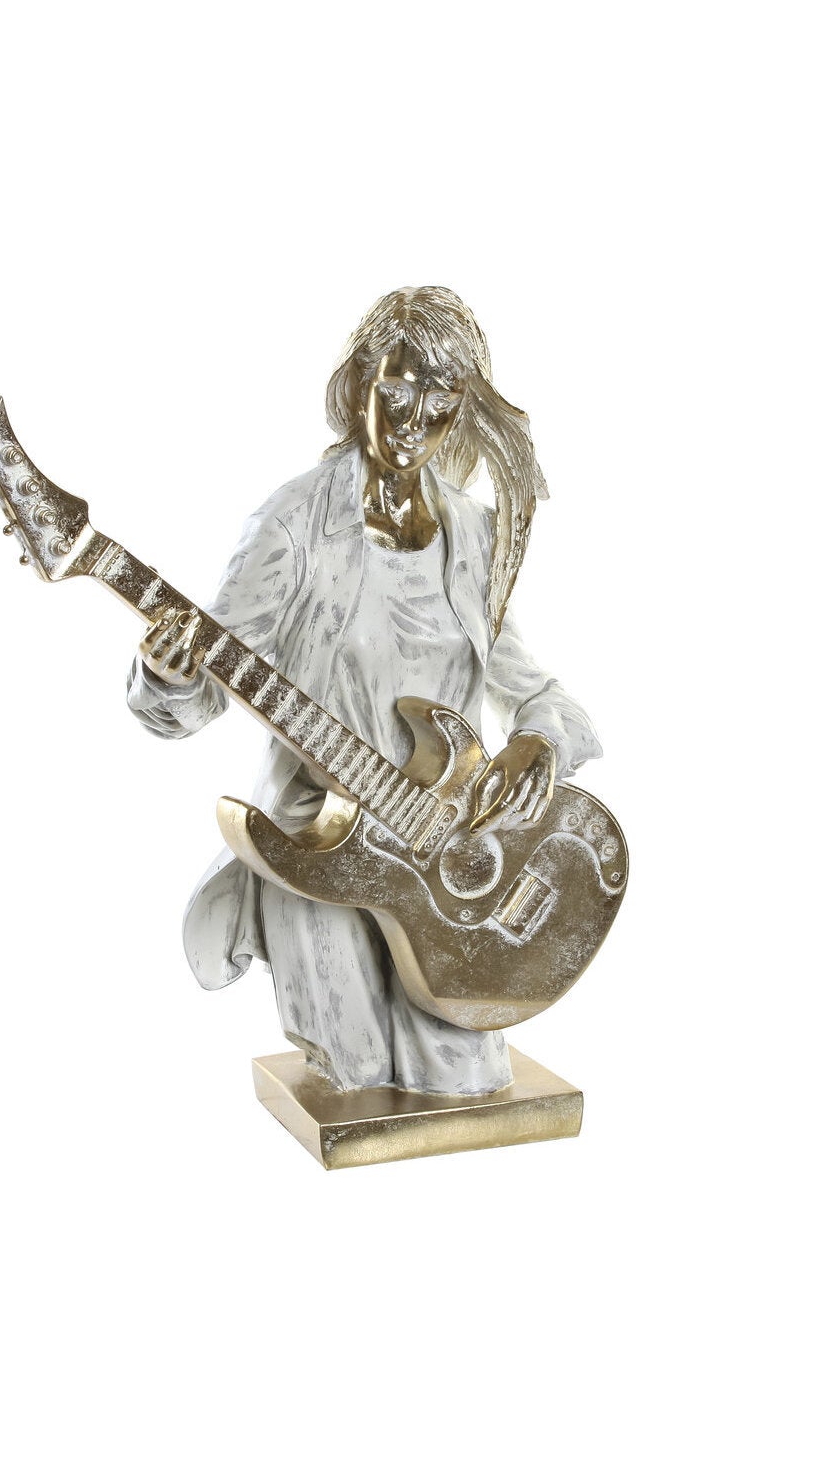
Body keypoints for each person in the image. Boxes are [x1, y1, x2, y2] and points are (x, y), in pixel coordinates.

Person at [126, 287, 601, 1095]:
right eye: (398, 391)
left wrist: (538, 738)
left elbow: (534, 688)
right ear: (358, 385)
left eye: (442, 405)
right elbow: (201, 693)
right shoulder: (291, 526)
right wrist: (167, 675)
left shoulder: (473, 536)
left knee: (465, 1084)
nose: (415, 423)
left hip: (447, 864)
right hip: (322, 849)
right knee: (359, 1078)